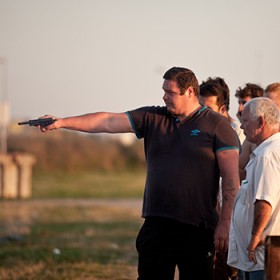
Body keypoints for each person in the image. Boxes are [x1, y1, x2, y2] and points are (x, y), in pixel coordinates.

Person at [39, 66, 240, 280]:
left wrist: (225, 223)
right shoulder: (153, 117)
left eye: (170, 92)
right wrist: (62, 122)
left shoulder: (218, 126)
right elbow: (107, 121)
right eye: (163, 91)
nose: (164, 97)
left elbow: (230, 180)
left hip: (197, 228)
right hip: (157, 224)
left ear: (190, 92)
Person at [227, 97, 280, 280]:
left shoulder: (268, 154)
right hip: (261, 254)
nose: (241, 127)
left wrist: (255, 236)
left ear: (261, 122)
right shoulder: (268, 150)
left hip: (261, 253)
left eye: (246, 121)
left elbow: (265, 199)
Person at [200, 77, 240, 280]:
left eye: (207, 108)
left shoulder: (239, 135)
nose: (201, 113)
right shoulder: (199, 132)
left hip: (231, 220)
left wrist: (225, 219)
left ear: (223, 108)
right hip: (206, 219)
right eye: (199, 106)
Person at [236, 83, 264, 181]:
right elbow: (238, 169)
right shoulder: (249, 140)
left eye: (244, 103)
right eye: (239, 103)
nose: (240, 109)